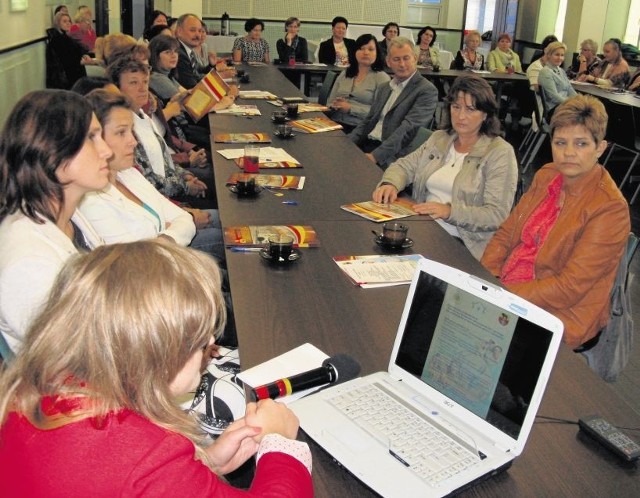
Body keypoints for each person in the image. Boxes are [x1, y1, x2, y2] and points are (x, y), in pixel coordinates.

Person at [0, 240, 313, 497]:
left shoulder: (34, 393)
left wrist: (204, 465)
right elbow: (138, 471)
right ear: (159, 357)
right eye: (199, 342)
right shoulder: (149, 455)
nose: (209, 345)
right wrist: (281, 446)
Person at [481, 95, 630, 350]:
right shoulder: (547, 174)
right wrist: (486, 278)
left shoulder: (609, 208)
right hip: (511, 286)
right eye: (560, 142)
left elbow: (569, 287)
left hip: (563, 312)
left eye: (581, 143)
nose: (569, 153)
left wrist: (501, 294)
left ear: (600, 148)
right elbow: (507, 234)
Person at [0, 90, 111, 354]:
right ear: (53, 154)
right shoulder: (27, 263)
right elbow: (78, 359)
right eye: (92, 138)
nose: (106, 151)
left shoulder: (68, 214)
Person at [372, 74, 518, 260]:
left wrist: (450, 211)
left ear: (485, 114)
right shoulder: (440, 138)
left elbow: (496, 215)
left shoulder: (499, 152)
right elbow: (404, 166)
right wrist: (390, 183)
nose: (460, 116)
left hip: (463, 243)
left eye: (470, 109)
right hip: (423, 230)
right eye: (456, 107)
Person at [79, 90, 224, 261]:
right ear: (94, 139)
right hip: (161, 275)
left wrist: (162, 237)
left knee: (228, 223)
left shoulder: (129, 174)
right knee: (224, 237)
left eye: (132, 131)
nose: (134, 141)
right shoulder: (91, 201)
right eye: (121, 132)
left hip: (170, 260)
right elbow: (139, 261)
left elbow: (182, 217)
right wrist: (169, 231)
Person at [105, 58, 210, 206]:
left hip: (174, 189)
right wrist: (186, 187)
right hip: (164, 202)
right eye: (134, 83)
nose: (143, 89)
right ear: (117, 89)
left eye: (145, 82)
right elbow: (149, 181)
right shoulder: (126, 130)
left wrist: (186, 175)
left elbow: (165, 162)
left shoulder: (144, 117)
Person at [349, 37, 438, 169]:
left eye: (406, 58)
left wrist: (375, 156)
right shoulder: (384, 87)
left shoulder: (426, 90)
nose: (402, 64)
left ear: (415, 58)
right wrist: (346, 143)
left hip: (392, 156)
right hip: (368, 144)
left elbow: (407, 130)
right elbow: (368, 121)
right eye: (396, 59)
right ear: (388, 62)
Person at [327, 34, 390, 132]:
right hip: (334, 123)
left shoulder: (382, 78)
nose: (365, 52)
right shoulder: (345, 73)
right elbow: (330, 101)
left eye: (370, 49)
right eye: (361, 48)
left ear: (377, 53)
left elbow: (379, 113)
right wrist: (334, 105)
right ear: (355, 52)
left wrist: (350, 108)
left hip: (360, 128)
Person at [45, 11, 89, 89]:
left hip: (72, 73)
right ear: (58, 23)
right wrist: (80, 58)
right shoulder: (58, 40)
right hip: (67, 78)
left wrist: (83, 55)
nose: (68, 23)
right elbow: (67, 60)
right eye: (64, 21)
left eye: (69, 21)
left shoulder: (65, 37)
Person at [538, 42, 577, 114]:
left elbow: (570, 89)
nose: (560, 58)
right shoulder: (545, 72)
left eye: (562, 55)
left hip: (565, 106)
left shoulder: (561, 71)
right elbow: (553, 96)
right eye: (557, 55)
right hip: (554, 110)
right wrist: (572, 104)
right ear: (549, 55)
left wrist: (581, 101)